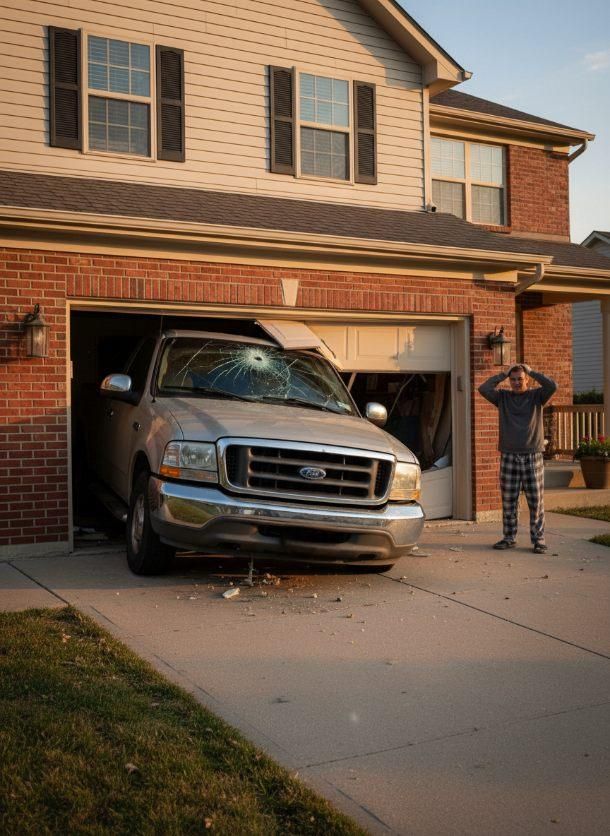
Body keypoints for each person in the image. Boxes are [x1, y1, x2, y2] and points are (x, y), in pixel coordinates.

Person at [479, 363, 557, 554]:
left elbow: (552, 386)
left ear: (527, 380)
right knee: (508, 501)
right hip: (508, 455)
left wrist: (532, 371)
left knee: (536, 501)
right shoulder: (502, 398)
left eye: (520, 379)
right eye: (512, 379)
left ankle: (539, 540)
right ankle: (509, 537)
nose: (515, 382)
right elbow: (483, 388)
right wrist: (503, 374)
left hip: (533, 455)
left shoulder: (537, 396)